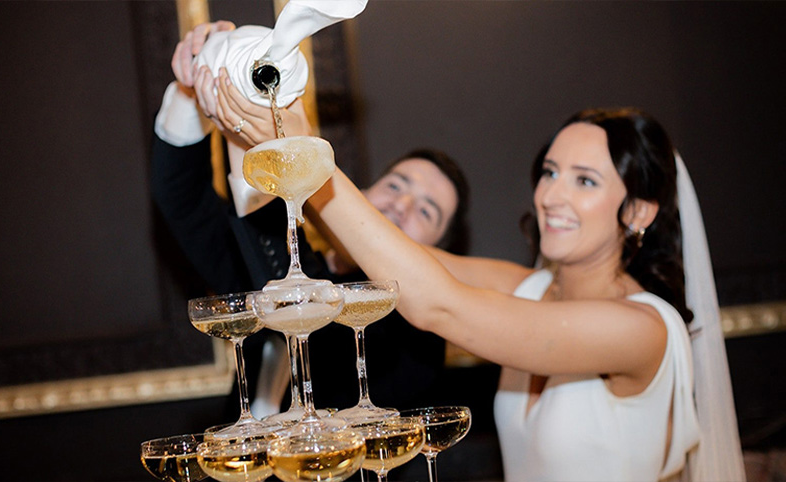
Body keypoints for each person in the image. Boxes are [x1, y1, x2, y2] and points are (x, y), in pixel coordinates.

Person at [208, 101, 743, 480]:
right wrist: (253, 127)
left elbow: (440, 306)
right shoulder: (530, 288)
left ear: (639, 212)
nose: (551, 195)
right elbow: (390, 257)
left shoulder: (641, 328)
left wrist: (311, 156)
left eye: (584, 180)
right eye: (550, 171)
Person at [151, 22, 471, 415]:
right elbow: (183, 201)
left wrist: (255, 143)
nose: (401, 204)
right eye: (395, 185)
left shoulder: (417, 338)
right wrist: (195, 88)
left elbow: (313, 324)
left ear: (439, 250)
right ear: (362, 192)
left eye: (426, 211)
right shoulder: (280, 254)